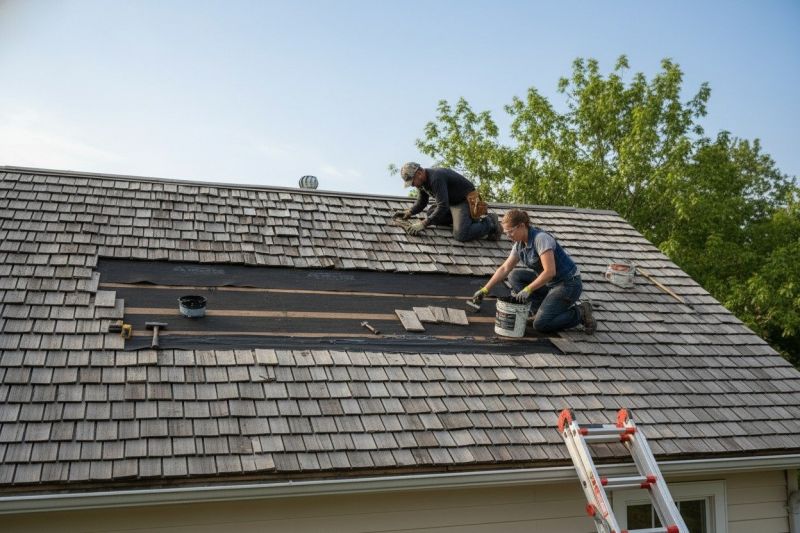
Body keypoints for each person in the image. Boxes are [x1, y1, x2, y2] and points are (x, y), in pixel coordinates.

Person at [471, 208, 596, 334]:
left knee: (541, 324)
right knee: (515, 276)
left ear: (521, 226)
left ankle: (580, 312)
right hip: (549, 285)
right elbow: (505, 268)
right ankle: (539, 311)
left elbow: (549, 272)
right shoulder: (519, 245)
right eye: (506, 233)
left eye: (510, 232)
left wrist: (528, 289)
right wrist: (485, 290)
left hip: (568, 284)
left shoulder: (540, 239)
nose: (508, 236)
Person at [393, 162, 500, 242]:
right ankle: (464, 221)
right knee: (431, 214)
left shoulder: (436, 178)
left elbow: (443, 206)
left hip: (465, 201)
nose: (413, 185)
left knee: (461, 235)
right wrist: (409, 212)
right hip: (452, 202)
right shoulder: (422, 183)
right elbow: (422, 201)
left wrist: (423, 224)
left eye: (412, 182)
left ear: (419, 173)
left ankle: (490, 223)